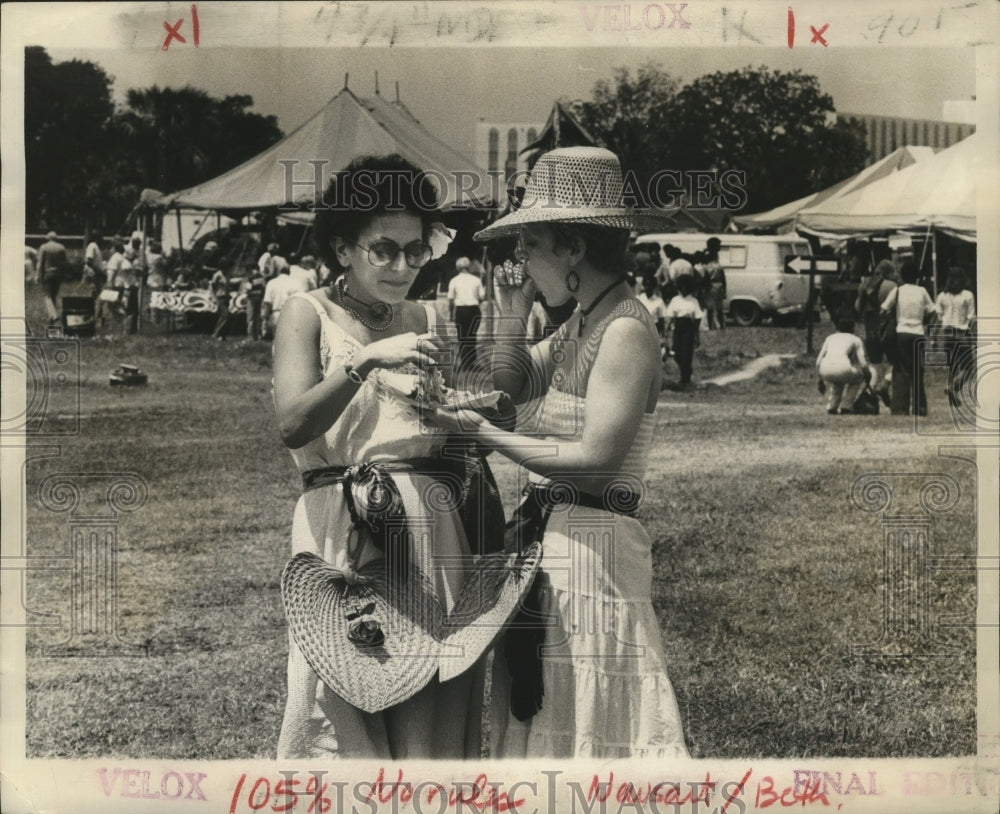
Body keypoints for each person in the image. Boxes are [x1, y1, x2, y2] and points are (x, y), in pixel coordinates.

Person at [430, 146, 689, 759]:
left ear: (573, 249)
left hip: (594, 547)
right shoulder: (582, 325)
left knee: (588, 718)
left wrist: (487, 438)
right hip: (558, 544)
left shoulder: (624, 329)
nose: (520, 259)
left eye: (531, 243)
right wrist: (512, 313)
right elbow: (504, 388)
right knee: (553, 707)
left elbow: (598, 458)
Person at [273, 153, 497, 759]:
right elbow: (293, 425)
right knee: (347, 690)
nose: (403, 266)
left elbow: (448, 434)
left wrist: (467, 412)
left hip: (432, 527)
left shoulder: (430, 316)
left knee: (430, 693)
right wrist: (364, 361)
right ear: (343, 248)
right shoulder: (307, 312)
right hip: (345, 525)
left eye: (416, 250)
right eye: (384, 250)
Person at [881, 260, 939, 416]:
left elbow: (883, 310)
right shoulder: (922, 291)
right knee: (917, 371)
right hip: (918, 333)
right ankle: (920, 407)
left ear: (902, 276)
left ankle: (900, 408)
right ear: (917, 276)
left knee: (900, 370)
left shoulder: (897, 290)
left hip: (902, 332)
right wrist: (925, 323)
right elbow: (933, 312)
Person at [854, 259, 897, 404]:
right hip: (887, 329)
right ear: (889, 272)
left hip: (869, 330)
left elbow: (858, 307)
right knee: (895, 361)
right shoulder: (892, 286)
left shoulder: (864, 284)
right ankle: (885, 385)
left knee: (874, 364)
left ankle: (869, 394)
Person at [935, 268, 976, 407]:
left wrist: (934, 337)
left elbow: (938, 316)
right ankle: (954, 387)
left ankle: (951, 386)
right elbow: (971, 318)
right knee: (969, 367)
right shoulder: (968, 295)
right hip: (962, 332)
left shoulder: (942, 295)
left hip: (947, 333)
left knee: (952, 365)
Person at [816, 318, 872, 415]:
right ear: (852, 328)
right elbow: (863, 363)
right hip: (843, 368)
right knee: (858, 379)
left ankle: (832, 407)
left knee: (838, 382)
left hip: (824, 369)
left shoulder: (830, 338)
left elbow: (818, 362)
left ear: (837, 327)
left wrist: (820, 379)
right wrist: (867, 375)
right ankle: (846, 406)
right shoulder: (855, 339)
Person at [664, 273, 704, 390]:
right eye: (682, 287)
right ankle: (686, 370)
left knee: (686, 353)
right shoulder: (675, 300)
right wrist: (667, 330)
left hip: (688, 328)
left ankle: (685, 378)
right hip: (678, 327)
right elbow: (671, 316)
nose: (684, 289)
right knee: (677, 353)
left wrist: (696, 335)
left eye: (687, 287)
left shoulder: (693, 301)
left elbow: (698, 318)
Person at [447, 256, 485, 376]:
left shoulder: (454, 280)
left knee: (462, 337)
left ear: (458, 267)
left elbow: (451, 299)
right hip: (474, 310)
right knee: (472, 337)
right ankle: (471, 363)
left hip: (461, 310)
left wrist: (451, 313)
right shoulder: (476, 280)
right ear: (468, 267)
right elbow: (481, 298)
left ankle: (465, 364)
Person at [261, 256, 299, 339]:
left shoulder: (271, 283)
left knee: (277, 341)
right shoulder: (295, 282)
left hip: (276, 314)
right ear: (289, 272)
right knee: (291, 340)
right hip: (291, 314)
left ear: (278, 271)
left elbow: (267, 303)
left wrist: (265, 319)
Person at [37, 231, 67, 324]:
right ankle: (51, 318)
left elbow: (40, 262)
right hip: (58, 273)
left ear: (48, 238)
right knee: (53, 295)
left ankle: (53, 315)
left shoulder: (44, 247)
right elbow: (64, 263)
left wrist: (38, 274)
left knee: (47, 296)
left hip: (48, 273)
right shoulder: (61, 247)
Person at [637, 275, 669, 358]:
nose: (647, 288)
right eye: (646, 285)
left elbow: (661, 319)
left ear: (654, 287)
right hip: (641, 327)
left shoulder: (659, 301)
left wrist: (663, 335)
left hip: (654, 328)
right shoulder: (639, 298)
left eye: (650, 286)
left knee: (651, 353)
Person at [703, 237, 727, 330]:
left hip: (711, 286)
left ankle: (711, 326)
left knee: (710, 308)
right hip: (718, 285)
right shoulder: (718, 265)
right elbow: (723, 279)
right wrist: (724, 290)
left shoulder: (707, 265)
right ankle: (721, 325)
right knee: (719, 307)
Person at [241, 262, 267, 340]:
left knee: (250, 318)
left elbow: (248, 289)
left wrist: (247, 294)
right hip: (260, 298)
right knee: (258, 318)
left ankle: (250, 336)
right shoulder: (262, 277)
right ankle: (258, 335)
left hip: (251, 299)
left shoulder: (250, 277)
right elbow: (264, 288)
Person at [210, 263, 232, 340]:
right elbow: (212, 286)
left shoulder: (228, 274)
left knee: (223, 317)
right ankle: (216, 333)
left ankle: (222, 335)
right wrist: (213, 297)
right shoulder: (217, 275)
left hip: (227, 297)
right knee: (225, 315)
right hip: (220, 297)